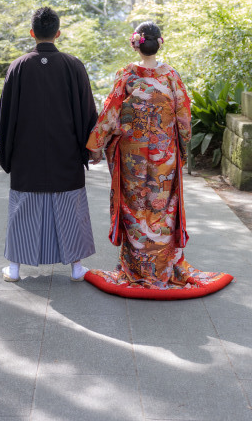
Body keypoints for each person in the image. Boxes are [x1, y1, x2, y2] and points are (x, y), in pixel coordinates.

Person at [85, 21, 232, 298]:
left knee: (135, 204)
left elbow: (109, 114)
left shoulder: (127, 75)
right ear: (160, 42)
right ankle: (162, 267)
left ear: (135, 44)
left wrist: (96, 146)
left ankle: (137, 267)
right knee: (162, 206)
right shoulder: (171, 77)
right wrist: (183, 145)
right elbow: (184, 117)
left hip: (132, 155)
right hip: (164, 153)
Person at [0, 6, 98, 283]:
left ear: (32, 33)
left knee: (23, 209)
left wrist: (8, 151)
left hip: (27, 154)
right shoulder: (74, 65)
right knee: (70, 207)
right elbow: (87, 111)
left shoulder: (18, 66)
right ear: (58, 33)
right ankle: (76, 268)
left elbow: (5, 115)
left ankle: (14, 269)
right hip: (66, 153)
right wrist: (93, 147)